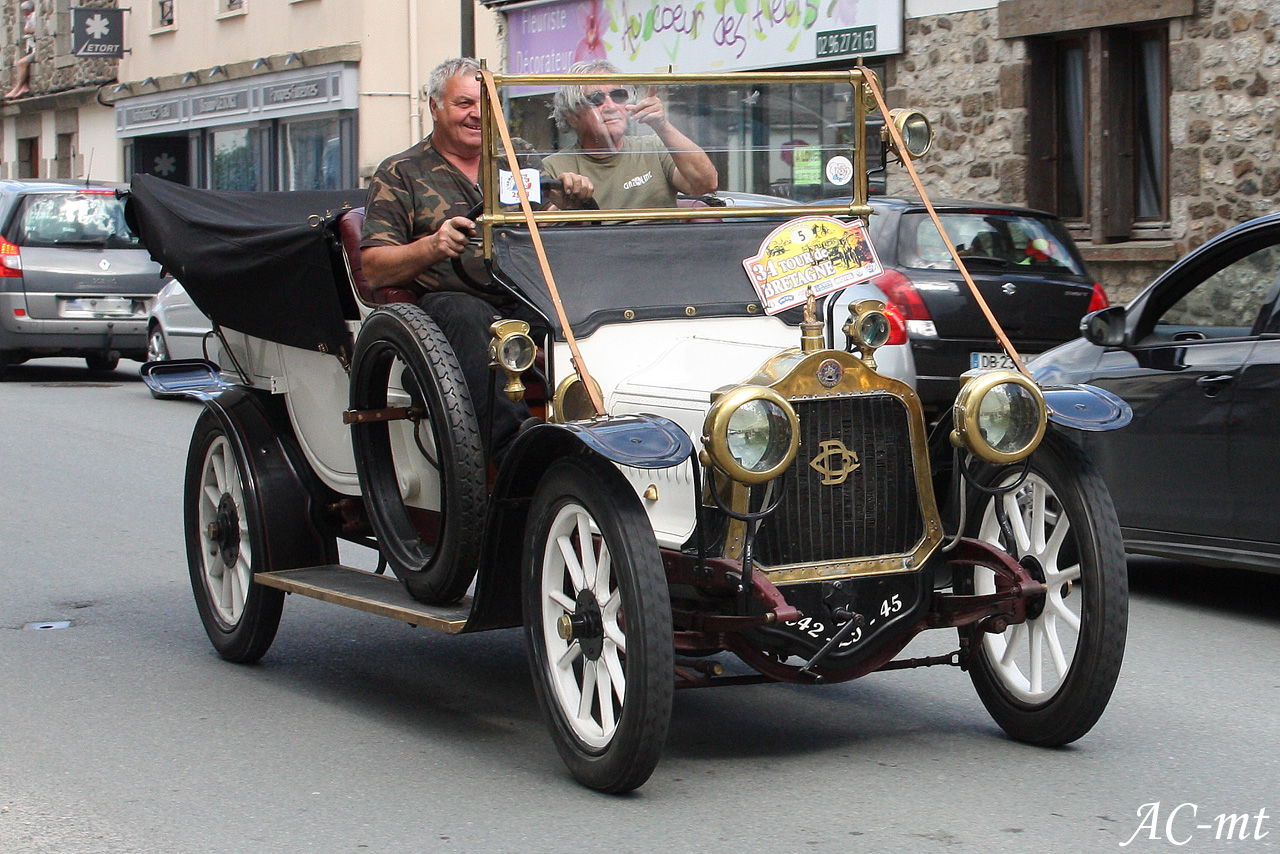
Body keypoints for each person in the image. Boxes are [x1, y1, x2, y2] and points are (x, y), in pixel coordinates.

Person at [361, 57, 592, 461]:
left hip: (524, 293)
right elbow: (374, 267)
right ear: (434, 107)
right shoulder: (400, 173)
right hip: (446, 304)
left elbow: (550, 233)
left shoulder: (516, 165)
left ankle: (599, 424)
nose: (476, 115)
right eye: (463, 103)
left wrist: (574, 202)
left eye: (485, 105)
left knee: (587, 310)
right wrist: (432, 245)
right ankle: (513, 451)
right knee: (470, 317)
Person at [542, 60, 718, 210]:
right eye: (596, 99)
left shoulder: (654, 148)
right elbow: (541, 229)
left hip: (663, 247)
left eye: (618, 95)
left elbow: (706, 184)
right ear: (572, 116)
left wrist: (662, 125)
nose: (610, 106)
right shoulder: (553, 167)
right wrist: (567, 201)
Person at [5, 1, 35, 100]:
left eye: (23, 10)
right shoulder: (28, 18)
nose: (22, 12)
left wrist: (28, 31)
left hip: (35, 48)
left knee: (21, 63)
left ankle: (18, 87)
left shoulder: (34, 16)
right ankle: (24, 87)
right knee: (22, 63)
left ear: (27, 10)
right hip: (31, 47)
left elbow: (36, 29)